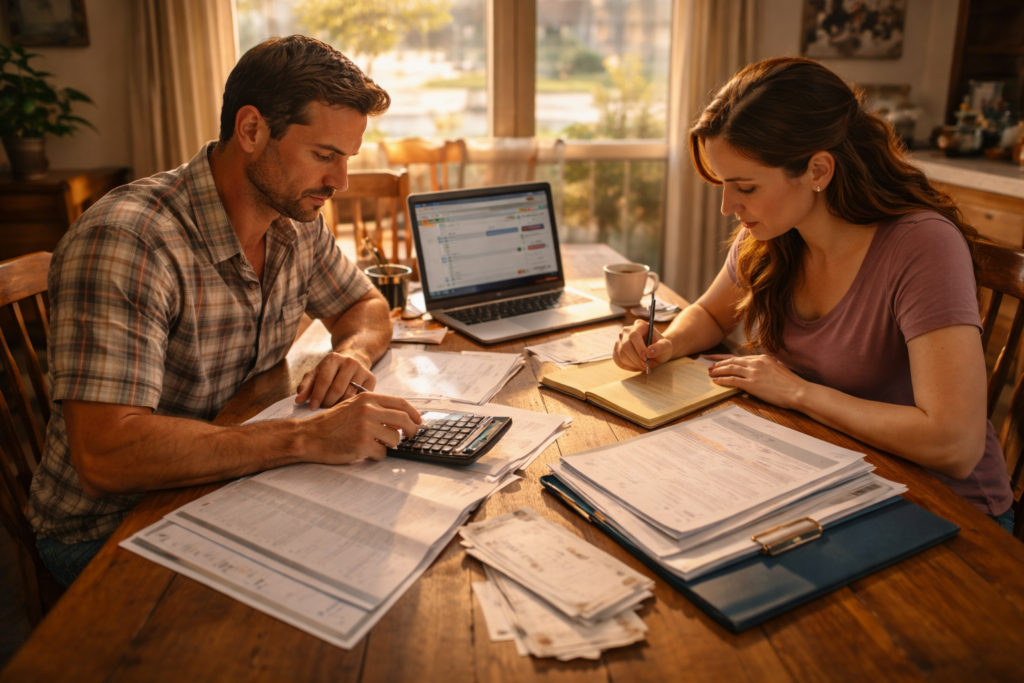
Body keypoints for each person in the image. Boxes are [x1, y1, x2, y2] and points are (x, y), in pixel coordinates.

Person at [27, 35, 424, 587]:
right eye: (324, 156)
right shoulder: (130, 240)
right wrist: (306, 438)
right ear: (252, 130)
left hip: (225, 480)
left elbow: (364, 303)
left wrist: (352, 352)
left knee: (397, 550)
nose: (340, 182)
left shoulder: (294, 220)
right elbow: (106, 455)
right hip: (112, 525)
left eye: (347, 159)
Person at [613, 57, 1015, 533]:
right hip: (831, 473)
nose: (728, 206)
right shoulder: (771, 233)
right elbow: (711, 314)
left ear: (818, 169)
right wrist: (667, 342)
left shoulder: (922, 245)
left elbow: (955, 445)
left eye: (745, 186)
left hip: (947, 512)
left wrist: (798, 392)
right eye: (724, 186)